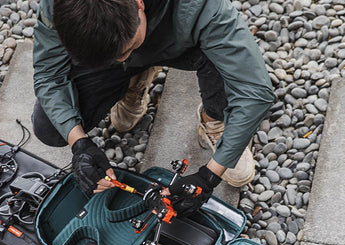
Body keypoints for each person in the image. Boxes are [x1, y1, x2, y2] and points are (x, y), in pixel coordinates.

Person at [32, 0, 274, 214]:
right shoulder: (59, 6)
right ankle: (133, 79)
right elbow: (48, 74)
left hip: (180, 44)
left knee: (226, 61)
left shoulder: (202, 6)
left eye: (126, 50)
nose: (122, 59)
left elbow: (256, 91)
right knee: (51, 129)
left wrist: (209, 175)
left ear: (138, 3)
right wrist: (79, 143)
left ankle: (215, 119)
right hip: (119, 47)